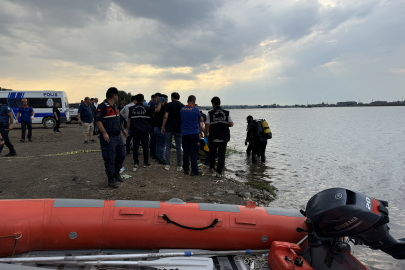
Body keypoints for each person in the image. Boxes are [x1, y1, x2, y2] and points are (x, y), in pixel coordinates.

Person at [95, 87, 128, 188]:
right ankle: (111, 180)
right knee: (110, 158)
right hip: (109, 137)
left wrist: (123, 129)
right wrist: (104, 133)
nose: (118, 97)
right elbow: (97, 121)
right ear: (114, 96)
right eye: (117, 95)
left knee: (121, 155)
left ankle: (116, 173)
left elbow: (117, 120)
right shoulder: (102, 106)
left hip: (118, 136)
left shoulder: (114, 107)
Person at [127, 94, 161, 169]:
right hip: (145, 130)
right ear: (143, 100)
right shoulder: (147, 108)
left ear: (135, 100)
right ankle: (146, 162)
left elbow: (129, 120)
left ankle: (136, 162)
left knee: (135, 147)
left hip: (135, 130)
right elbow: (158, 110)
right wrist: (160, 102)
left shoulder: (131, 108)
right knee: (145, 147)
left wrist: (128, 129)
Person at [204, 96, 234, 178]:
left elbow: (207, 125)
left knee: (212, 153)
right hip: (224, 137)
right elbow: (231, 124)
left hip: (213, 137)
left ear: (213, 104)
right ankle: (219, 172)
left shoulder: (210, 113)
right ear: (220, 103)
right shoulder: (226, 112)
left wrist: (205, 135)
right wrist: (223, 124)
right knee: (222, 155)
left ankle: (211, 168)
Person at [161, 92, 184, 171]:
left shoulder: (169, 105)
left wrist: (163, 126)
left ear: (172, 97)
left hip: (169, 128)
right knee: (178, 147)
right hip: (178, 128)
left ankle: (167, 164)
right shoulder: (182, 106)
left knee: (168, 146)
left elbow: (165, 116)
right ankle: (179, 166)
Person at [180, 95, 203, 176]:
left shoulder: (182, 109)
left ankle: (186, 169)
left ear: (187, 101)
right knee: (194, 152)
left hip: (185, 133)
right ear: (194, 102)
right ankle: (194, 170)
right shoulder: (196, 110)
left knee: (186, 151)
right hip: (194, 133)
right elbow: (200, 119)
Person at [154, 94, 167, 164]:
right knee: (162, 144)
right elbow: (165, 117)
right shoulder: (164, 108)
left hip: (155, 127)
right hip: (161, 128)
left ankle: (157, 157)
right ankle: (161, 158)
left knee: (158, 143)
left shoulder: (157, 107)